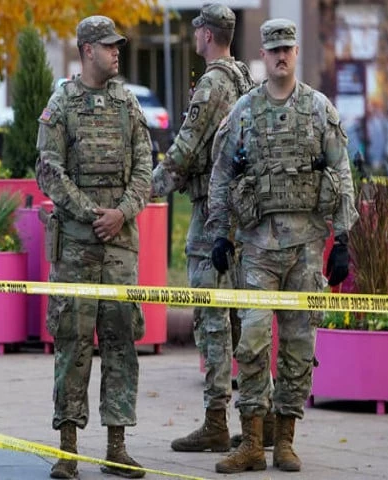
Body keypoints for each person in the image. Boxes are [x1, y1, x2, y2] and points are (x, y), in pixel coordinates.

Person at [207, 19, 358, 473]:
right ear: (263, 53)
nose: (280, 57)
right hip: (256, 247)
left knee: (297, 346)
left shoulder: (318, 109)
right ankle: (252, 441)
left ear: (296, 53)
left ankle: (286, 441)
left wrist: (343, 238)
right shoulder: (244, 111)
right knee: (251, 342)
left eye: (287, 49)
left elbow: (342, 172)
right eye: (273, 50)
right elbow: (221, 175)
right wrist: (220, 232)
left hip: (307, 249)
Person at [36, 15, 152, 479]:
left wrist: (122, 212)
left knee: (121, 342)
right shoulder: (61, 103)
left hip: (120, 247)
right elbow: (48, 169)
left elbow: (146, 166)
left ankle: (116, 447)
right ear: (87, 50)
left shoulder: (128, 104)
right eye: (108, 46)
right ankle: (67, 447)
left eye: (117, 46)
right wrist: (91, 213)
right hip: (77, 247)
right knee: (73, 342)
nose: (116, 52)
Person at [151, 4, 270, 454]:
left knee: (211, 313)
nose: (193, 35)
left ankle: (216, 419)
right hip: (243, 215)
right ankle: (263, 418)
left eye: (196, 29)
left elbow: (184, 150)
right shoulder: (243, 77)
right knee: (243, 315)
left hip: (212, 214)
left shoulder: (215, 83)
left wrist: (146, 191)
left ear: (206, 35)